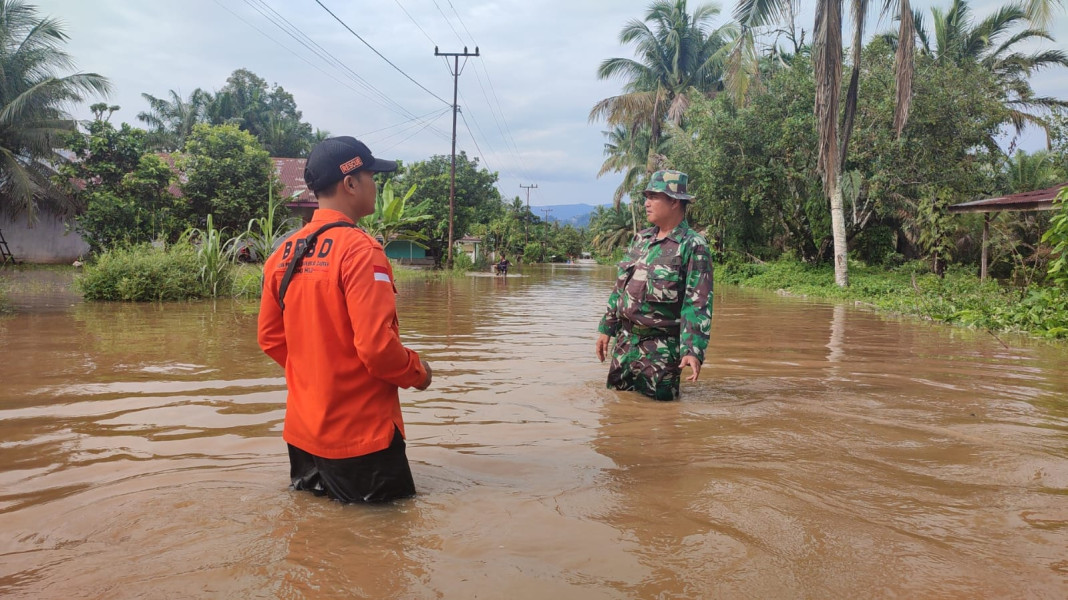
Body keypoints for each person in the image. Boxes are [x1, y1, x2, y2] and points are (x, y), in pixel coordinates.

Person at [257, 136, 432, 503]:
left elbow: (271, 338)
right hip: (361, 439)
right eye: (371, 176)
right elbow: (377, 348)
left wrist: (317, 376)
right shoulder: (361, 250)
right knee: (386, 546)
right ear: (351, 183)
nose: (375, 185)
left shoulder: (283, 254)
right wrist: (418, 372)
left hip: (303, 435)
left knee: (317, 544)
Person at [595, 170, 713, 401]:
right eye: (646, 196)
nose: (646, 203)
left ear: (675, 202)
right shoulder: (641, 239)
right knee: (615, 415)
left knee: (660, 421)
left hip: (660, 349)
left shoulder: (693, 245)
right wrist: (606, 328)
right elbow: (620, 288)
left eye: (653, 196)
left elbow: (697, 302)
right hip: (625, 343)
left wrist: (692, 350)